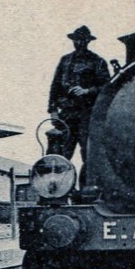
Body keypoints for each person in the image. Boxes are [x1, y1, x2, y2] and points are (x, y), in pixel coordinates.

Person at [48, 25, 112, 164]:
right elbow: (55, 86)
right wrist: (53, 111)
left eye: (82, 40)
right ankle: (60, 184)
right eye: (76, 40)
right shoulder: (65, 61)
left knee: (88, 153)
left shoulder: (97, 61)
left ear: (88, 41)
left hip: (87, 115)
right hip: (66, 115)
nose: (79, 43)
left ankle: (87, 185)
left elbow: (107, 88)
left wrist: (87, 91)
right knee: (60, 153)